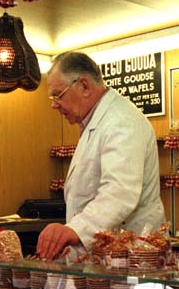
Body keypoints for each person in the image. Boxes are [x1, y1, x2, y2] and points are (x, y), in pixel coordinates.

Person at [37, 51, 165, 260]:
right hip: (107, 255)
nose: (54, 104)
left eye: (58, 95)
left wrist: (75, 229)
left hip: (133, 257)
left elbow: (119, 193)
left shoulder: (120, 121)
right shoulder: (95, 123)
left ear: (85, 86)